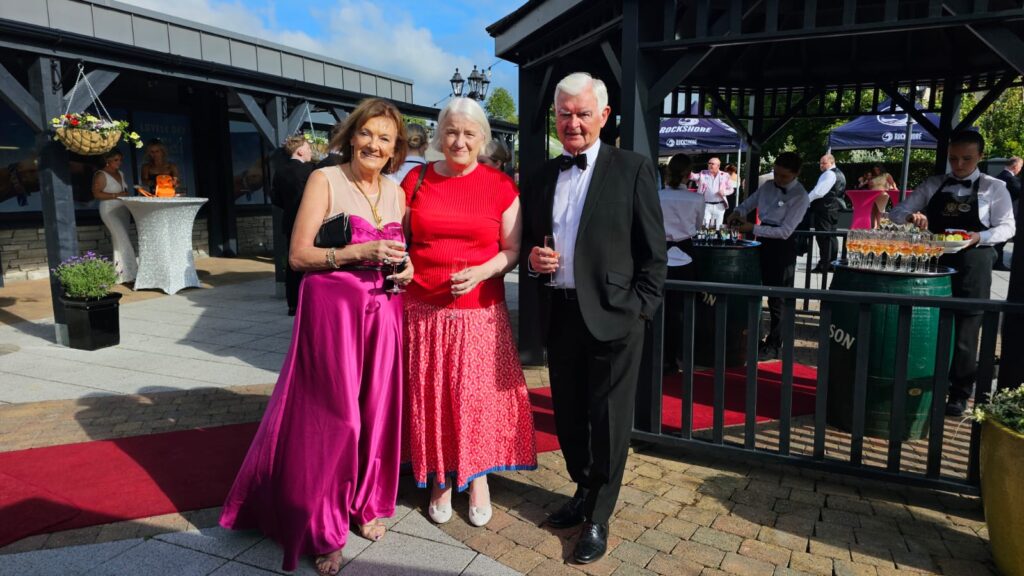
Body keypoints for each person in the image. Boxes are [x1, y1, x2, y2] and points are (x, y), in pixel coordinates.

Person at [220, 97, 413, 576]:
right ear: (351, 136)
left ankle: (365, 503)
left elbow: (400, 252)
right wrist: (357, 251)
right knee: (337, 418)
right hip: (332, 311)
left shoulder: (397, 193)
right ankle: (323, 527)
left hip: (384, 310)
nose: (373, 144)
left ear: (395, 150)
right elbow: (298, 257)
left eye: (384, 138)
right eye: (367, 133)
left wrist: (406, 266)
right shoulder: (324, 180)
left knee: (375, 411)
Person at [525, 72, 666, 564]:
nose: (572, 122)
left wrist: (640, 311)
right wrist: (532, 261)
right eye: (564, 113)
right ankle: (583, 491)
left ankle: (599, 515)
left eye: (583, 113)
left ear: (604, 116)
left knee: (608, 422)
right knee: (568, 418)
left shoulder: (632, 168)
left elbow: (654, 254)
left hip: (615, 318)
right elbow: (531, 241)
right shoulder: (543, 174)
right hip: (560, 314)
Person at [401, 97, 536, 529]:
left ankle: (478, 478)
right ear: (440, 134)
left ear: (483, 139)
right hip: (422, 309)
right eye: (452, 132)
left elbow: (512, 251)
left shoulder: (500, 185)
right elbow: (397, 238)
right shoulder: (416, 180)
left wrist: (482, 270)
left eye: (469, 133)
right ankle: (440, 476)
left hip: (480, 311)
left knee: (475, 398)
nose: (459, 140)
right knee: (433, 397)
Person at [889, 130, 1015, 417]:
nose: (958, 165)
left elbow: (1008, 227)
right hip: (935, 261)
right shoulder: (934, 183)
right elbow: (896, 213)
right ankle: (926, 385)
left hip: (975, 261)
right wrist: (911, 217)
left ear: (980, 156)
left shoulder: (994, 187)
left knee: (966, 331)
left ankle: (959, 393)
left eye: (966, 159)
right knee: (930, 323)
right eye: (953, 159)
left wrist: (977, 237)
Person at [726, 152, 809, 361]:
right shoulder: (767, 186)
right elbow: (748, 204)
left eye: (784, 176)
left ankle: (775, 344)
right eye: (776, 174)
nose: (778, 179)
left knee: (777, 299)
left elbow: (785, 231)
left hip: (782, 247)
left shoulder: (801, 196)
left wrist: (751, 227)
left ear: (796, 174)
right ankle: (753, 336)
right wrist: (736, 213)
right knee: (754, 290)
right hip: (761, 241)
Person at [659, 153, 703, 372]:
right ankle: (676, 358)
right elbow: (698, 225)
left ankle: (660, 355)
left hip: (660, 258)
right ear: (689, 175)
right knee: (682, 311)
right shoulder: (697, 199)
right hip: (685, 257)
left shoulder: (657, 196)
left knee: (660, 309)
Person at [271, 135, 315, 316]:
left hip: (289, 221)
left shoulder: (279, 172)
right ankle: (309, 302)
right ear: (300, 150)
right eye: (308, 147)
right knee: (311, 261)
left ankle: (293, 304)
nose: (311, 151)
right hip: (310, 222)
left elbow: (275, 198)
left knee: (292, 263)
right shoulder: (310, 171)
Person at [91, 150, 136, 283]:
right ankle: (133, 273)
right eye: (116, 160)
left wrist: (125, 195)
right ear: (108, 160)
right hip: (109, 210)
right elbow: (96, 194)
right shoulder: (100, 174)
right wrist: (116, 195)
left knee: (120, 241)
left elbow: (124, 191)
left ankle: (121, 274)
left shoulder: (120, 173)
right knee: (123, 239)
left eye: (120, 160)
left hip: (123, 209)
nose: (119, 162)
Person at [805, 154, 847, 273]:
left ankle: (824, 264)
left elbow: (818, 192)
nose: (821, 165)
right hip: (833, 209)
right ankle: (832, 263)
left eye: (824, 163)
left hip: (825, 209)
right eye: (820, 163)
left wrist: (805, 201)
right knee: (831, 236)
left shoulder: (829, 174)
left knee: (824, 237)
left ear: (831, 162)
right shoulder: (840, 174)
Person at [993, 156, 1021, 271]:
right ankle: (998, 263)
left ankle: (997, 262)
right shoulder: (1010, 178)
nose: (1020, 169)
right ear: (1015, 166)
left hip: (998, 212)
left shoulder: (1000, 176)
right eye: (1020, 166)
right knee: (1001, 241)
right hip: (1008, 214)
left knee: (1000, 241)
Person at [696, 156, 733, 227]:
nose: (710, 165)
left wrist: (724, 192)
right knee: (704, 226)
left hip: (719, 205)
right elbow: (694, 176)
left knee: (718, 227)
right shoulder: (703, 173)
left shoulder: (725, 175)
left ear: (718, 166)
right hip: (706, 205)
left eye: (712, 163)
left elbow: (731, 189)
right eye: (709, 163)